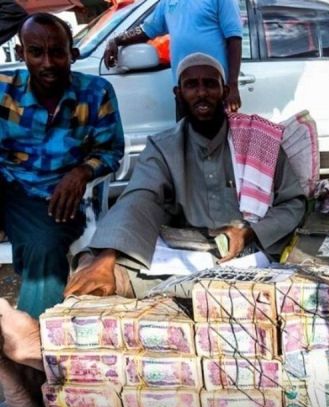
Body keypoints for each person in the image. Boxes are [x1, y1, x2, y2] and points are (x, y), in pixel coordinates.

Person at [64, 53, 306, 298]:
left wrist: (248, 232)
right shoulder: (164, 148)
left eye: (210, 84)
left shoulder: (259, 141)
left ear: (225, 90)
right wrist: (107, 257)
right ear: (178, 94)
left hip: (253, 254)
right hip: (187, 258)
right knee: (102, 273)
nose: (202, 93)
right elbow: (139, 200)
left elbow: (293, 203)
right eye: (192, 85)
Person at [0, 13, 124, 319]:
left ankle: (35, 341)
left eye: (57, 52)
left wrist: (81, 172)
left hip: (53, 197)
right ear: (21, 54)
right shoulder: (4, 90)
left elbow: (112, 150)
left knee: (44, 246)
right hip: (6, 185)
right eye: (36, 52)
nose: (47, 63)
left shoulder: (96, 94)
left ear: (72, 53)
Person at [102, 0, 243, 113]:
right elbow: (146, 29)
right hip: (185, 91)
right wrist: (116, 40)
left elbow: (234, 38)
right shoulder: (167, 2)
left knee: (220, 142)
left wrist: (232, 85)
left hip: (214, 89)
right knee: (187, 143)